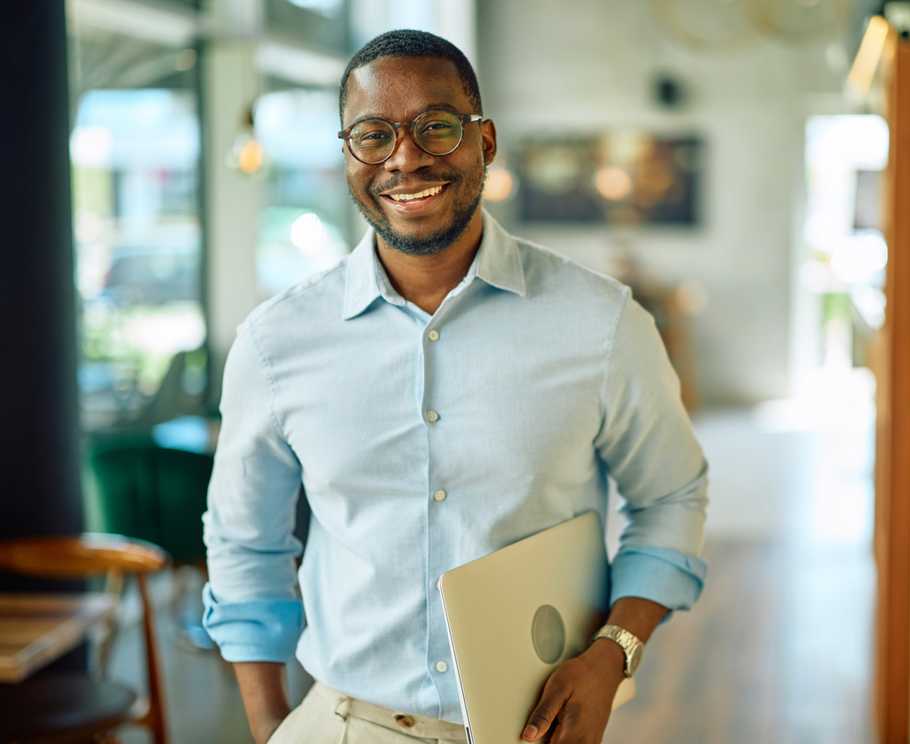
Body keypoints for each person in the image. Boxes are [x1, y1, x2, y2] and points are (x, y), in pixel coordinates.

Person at [202, 28, 709, 744]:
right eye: (373, 135)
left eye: (436, 127)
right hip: (345, 723)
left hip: (535, 727)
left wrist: (613, 653)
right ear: (349, 155)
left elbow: (671, 496)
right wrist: (267, 726)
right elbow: (244, 543)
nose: (406, 157)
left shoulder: (601, 324)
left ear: (486, 141)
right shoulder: (275, 343)